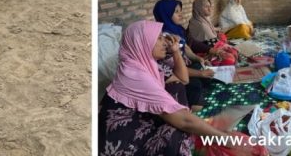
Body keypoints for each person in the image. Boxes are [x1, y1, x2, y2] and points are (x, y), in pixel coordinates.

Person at [98, 20, 234, 156]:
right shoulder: (134, 74)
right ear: (143, 42)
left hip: (143, 124)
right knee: (177, 133)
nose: (165, 43)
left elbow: (182, 79)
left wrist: (176, 51)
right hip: (124, 143)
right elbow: (184, 121)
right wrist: (223, 138)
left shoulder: (146, 64)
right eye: (158, 38)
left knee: (176, 86)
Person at [153, 0, 215, 112]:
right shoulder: (165, 38)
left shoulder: (178, 29)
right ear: (166, 14)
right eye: (176, 12)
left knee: (201, 67)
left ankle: (200, 92)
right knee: (195, 81)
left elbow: (186, 47)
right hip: (176, 71)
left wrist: (199, 58)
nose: (180, 14)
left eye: (180, 11)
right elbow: (175, 69)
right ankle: (193, 103)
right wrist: (200, 73)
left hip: (184, 65)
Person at [187, 0, 238, 66]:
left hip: (211, 44)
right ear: (198, 8)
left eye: (210, 6)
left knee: (223, 38)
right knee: (230, 58)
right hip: (204, 50)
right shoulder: (200, 24)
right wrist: (226, 47)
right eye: (206, 7)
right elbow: (212, 43)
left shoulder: (202, 19)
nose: (210, 9)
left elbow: (213, 32)